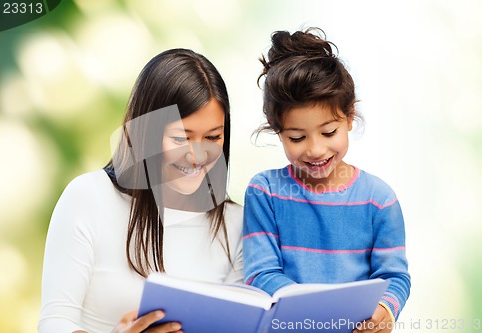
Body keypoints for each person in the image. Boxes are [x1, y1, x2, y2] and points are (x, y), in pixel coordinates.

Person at [38, 48, 243, 333]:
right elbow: (55, 322)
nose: (198, 156)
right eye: (181, 138)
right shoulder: (89, 196)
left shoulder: (234, 222)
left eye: (213, 137)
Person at [243, 28, 411, 333]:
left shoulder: (379, 198)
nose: (315, 150)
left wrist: (384, 310)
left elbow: (395, 277)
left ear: (349, 117)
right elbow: (260, 274)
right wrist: (317, 311)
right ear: (275, 128)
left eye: (329, 132)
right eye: (297, 137)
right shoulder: (265, 192)